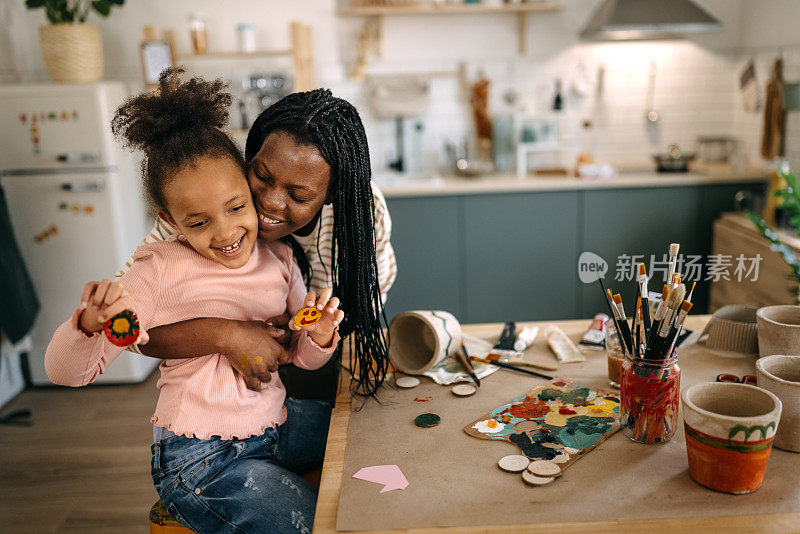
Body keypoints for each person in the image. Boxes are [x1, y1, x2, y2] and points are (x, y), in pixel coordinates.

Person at [45, 68, 341, 533]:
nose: (225, 233)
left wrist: (318, 335)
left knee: (352, 432)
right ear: (172, 220)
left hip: (272, 427)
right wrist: (87, 325)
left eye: (236, 207)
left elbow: (299, 354)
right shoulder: (158, 269)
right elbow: (65, 373)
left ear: (249, 191)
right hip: (200, 460)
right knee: (307, 516)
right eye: (198, 222)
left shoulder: (280, 257)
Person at [129, 87, 396, 400]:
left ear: (332, 194)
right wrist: (226, 334)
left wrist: (303, 327)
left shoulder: (361, 211)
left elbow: (356, 304)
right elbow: (127, 327)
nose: (269, 202)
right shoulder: (200, 213)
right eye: (262, 175)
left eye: (298, 196)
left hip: (313, 351)